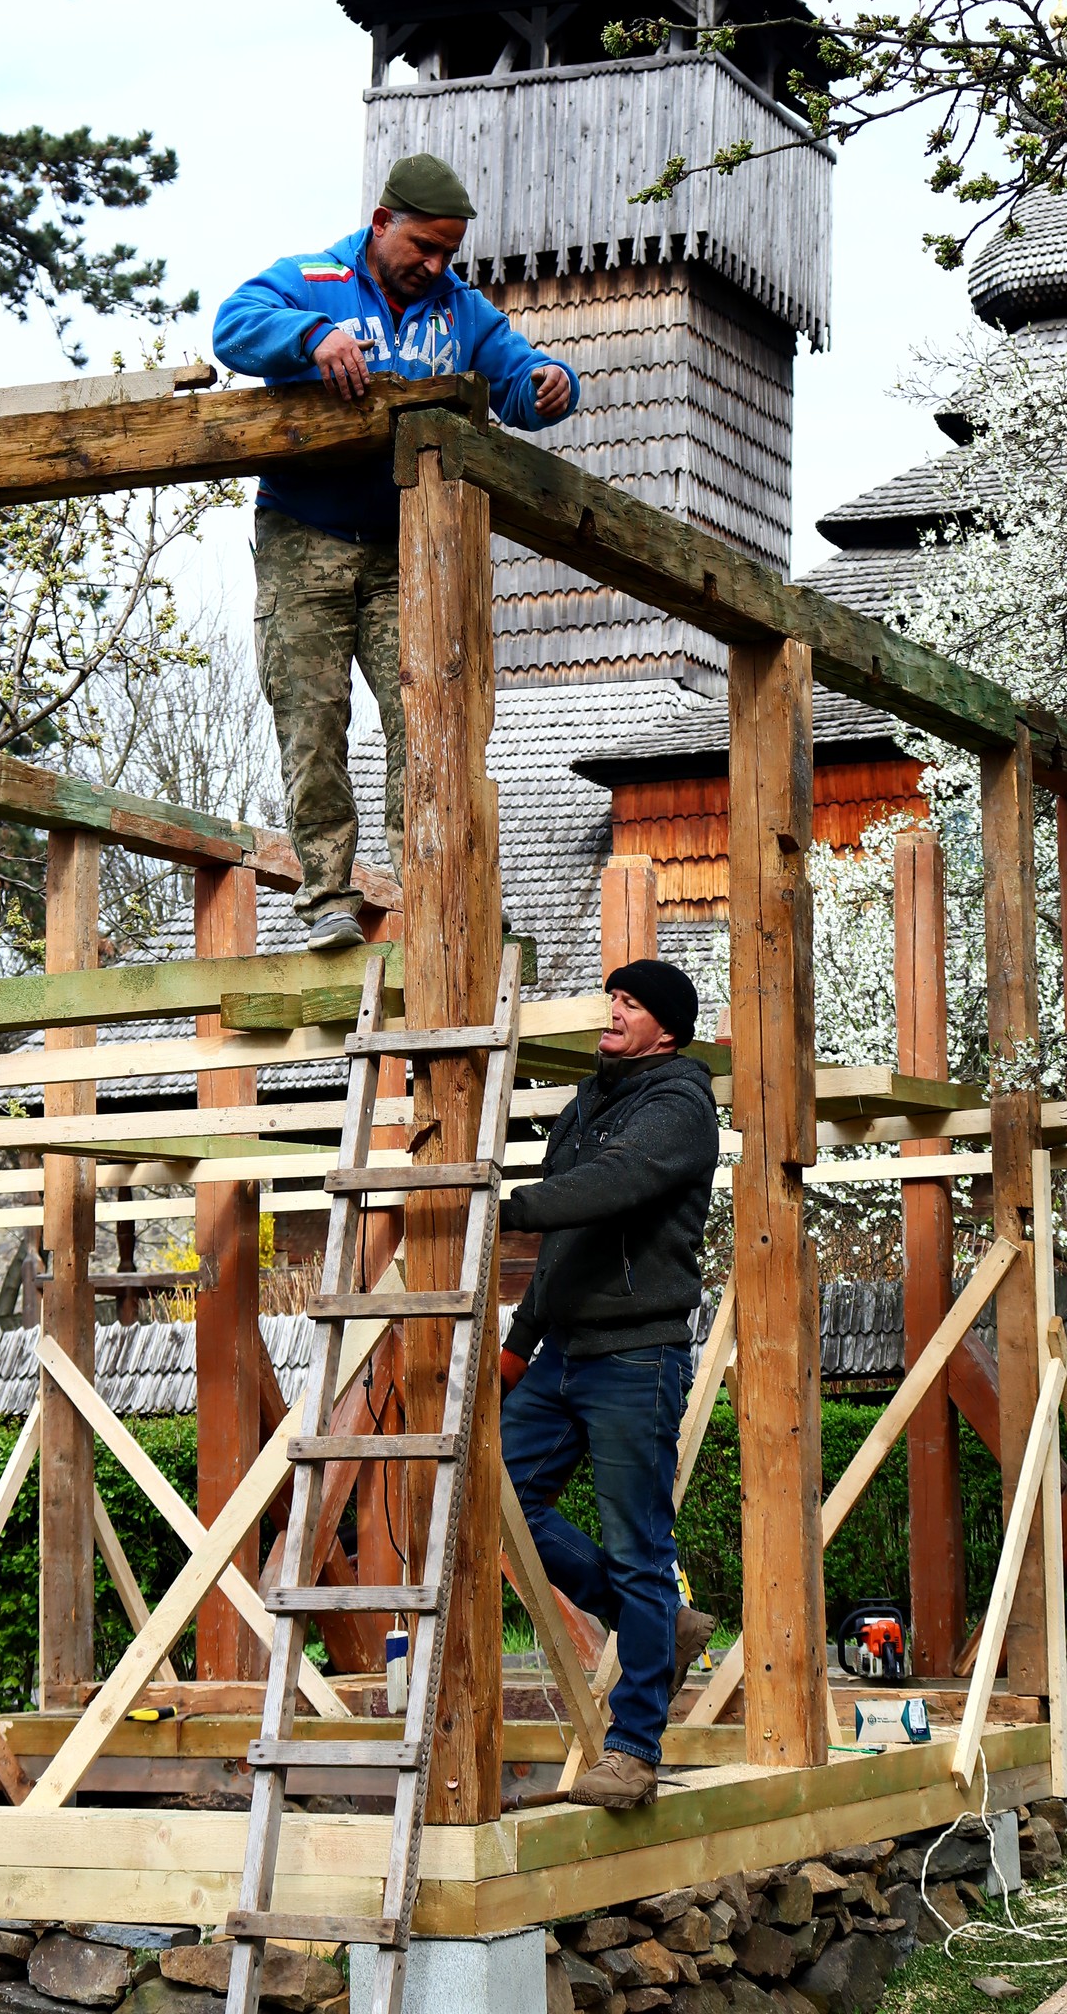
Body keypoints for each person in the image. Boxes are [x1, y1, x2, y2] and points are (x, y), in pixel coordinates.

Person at [213, 153, 579, 951]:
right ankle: (327, 897)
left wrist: (551, 381)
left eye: (448, 252)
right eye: (423, 246)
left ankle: (441, 894)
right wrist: (311, 337)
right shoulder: (312, 282)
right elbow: (233, 325)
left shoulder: (461, 312)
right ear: (382, 224)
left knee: (428, 722)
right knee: (311, 719)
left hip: (404, 549)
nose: (435, 265)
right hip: (303, 535)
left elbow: (518, 378)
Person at [499, 958, 720, 1809]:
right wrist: (520, 1343)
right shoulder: (591, 1099)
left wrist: (505, 1203)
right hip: (563, 1350)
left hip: (635, 1353)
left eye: (630, 1004)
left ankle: (632, 1753)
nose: (613, 1011)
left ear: (666, 1029)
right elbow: (567, 1240)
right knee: (500, 1499)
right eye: (613, 999)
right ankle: (657, 1625)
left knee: (637, 1550)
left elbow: (607, 1187)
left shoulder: (680, 1105)